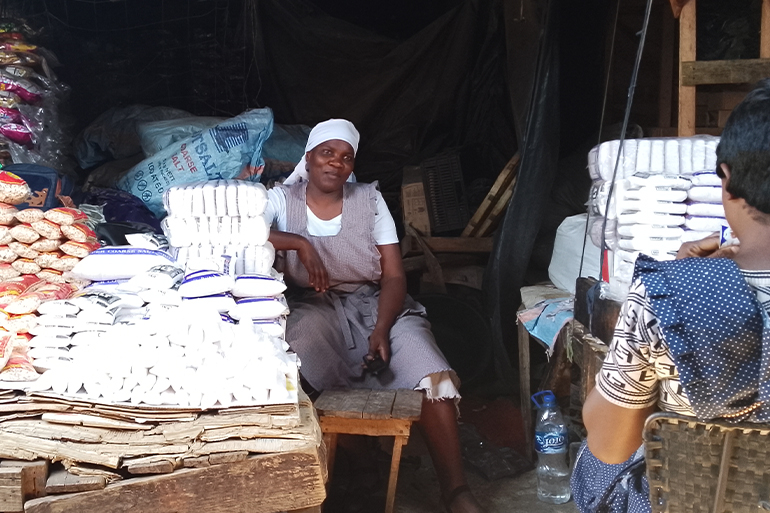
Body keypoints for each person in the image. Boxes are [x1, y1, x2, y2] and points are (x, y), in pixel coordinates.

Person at [264, 119, 484, 513]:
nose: (336, 163)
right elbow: (247, 233)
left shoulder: (370, 200)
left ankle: (455, 490)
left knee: (429, 368)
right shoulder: (281, 200)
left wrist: (382, 328)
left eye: (346, 157)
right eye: (327, 153)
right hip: (315, 306)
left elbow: (395, 275)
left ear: (352, 166)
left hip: (376, 303)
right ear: (309, 158)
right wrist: (299, 243)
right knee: (304, 351)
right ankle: (361, 459)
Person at [571, 78, 770, 513]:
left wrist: (681, 281)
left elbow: (609, 444)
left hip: (695, 502)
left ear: (728, 182)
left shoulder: (669, 294)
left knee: (595, 468)